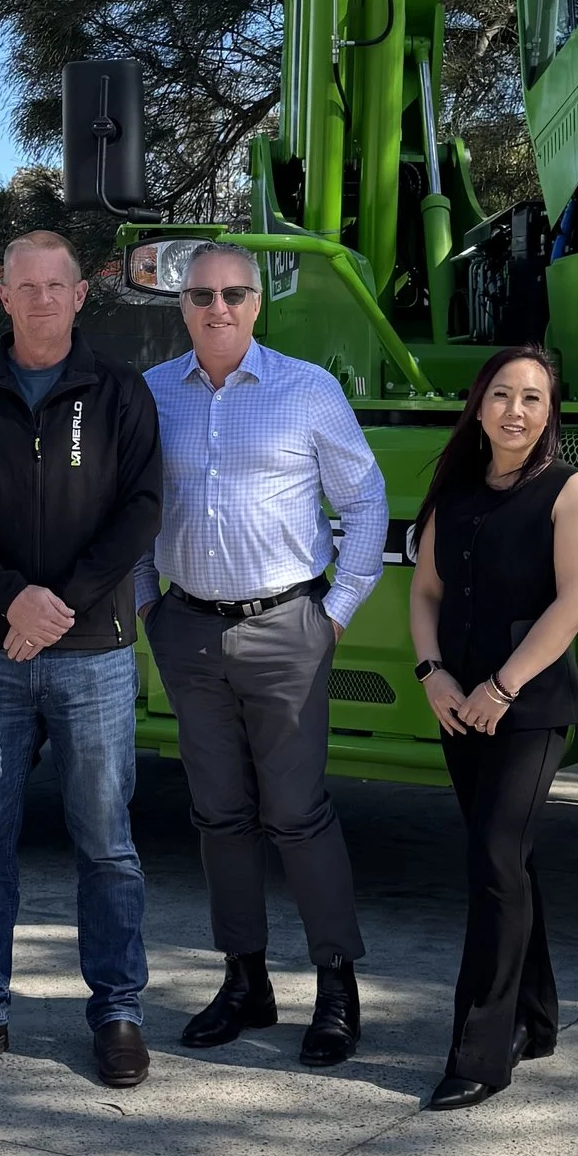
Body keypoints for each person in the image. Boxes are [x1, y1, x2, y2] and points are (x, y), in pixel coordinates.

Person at [0, 231, 164, 1088]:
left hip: (92, 650)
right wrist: (11, 599)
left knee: (107, 843)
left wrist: (58, 603)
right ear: (4, 297)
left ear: (80, 293)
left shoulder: (120, 391)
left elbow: (141, 510)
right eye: (24, 286)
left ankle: (119, 1012)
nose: (41, 299)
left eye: (55, 284)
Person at [137, 242, 391, 1064]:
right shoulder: (151, 394)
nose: (218, 307)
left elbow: (366, 499)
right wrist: (148, 606)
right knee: (219, 813)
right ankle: (245, 981)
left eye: (234, 293)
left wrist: (334, 614)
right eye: (202, 294)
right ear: (182, 304)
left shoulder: (306, 389)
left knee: (296, 813)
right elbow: (132, 509)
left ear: (257, 302)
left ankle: (336, 987)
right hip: (188, 631)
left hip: (288, 629)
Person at [406, 347, 578, 1110]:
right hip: (459, 704)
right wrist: (433, 674)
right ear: (479, 404)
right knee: (506, 863)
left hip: (529, 707)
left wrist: (502, 686)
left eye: (532, 397)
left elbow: (575, 600)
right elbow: (426, 591)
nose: (514, 410)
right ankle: (536, 1015)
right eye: (501, 394)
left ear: (550, 411)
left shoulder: (569, 489)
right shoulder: (455, 490)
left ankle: (480, 1052)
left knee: (494, 858)